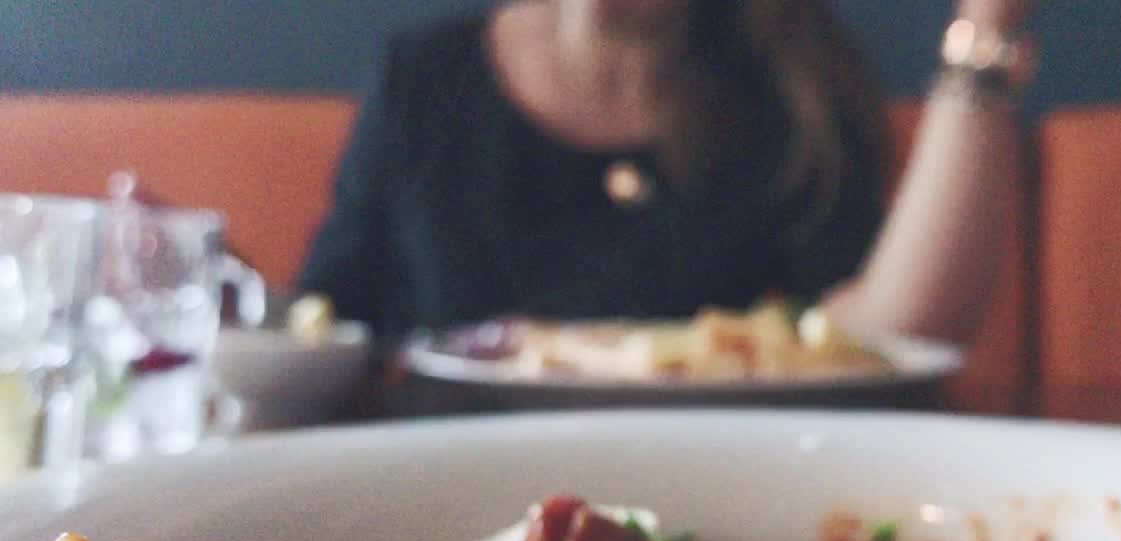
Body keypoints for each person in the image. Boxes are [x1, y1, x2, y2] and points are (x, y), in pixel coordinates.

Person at [299, 0, 1035, 342]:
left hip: (717, 511)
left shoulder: (791, 86)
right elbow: (323, 321)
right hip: (433, 511)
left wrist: (987, 26)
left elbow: (898, 330)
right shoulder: (424, 77)